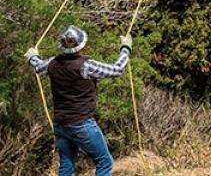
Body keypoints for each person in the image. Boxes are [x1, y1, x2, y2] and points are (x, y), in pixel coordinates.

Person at [25, 26, 132, 176]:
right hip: (81, 124)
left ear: (62, 45)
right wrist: (125, 48)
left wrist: (32, 57)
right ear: (82, 44)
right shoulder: (86, 65)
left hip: (60, 124)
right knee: (105, 162)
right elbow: (117, 69)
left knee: (67, 165)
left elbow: (37, 66)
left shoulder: (52, 63)